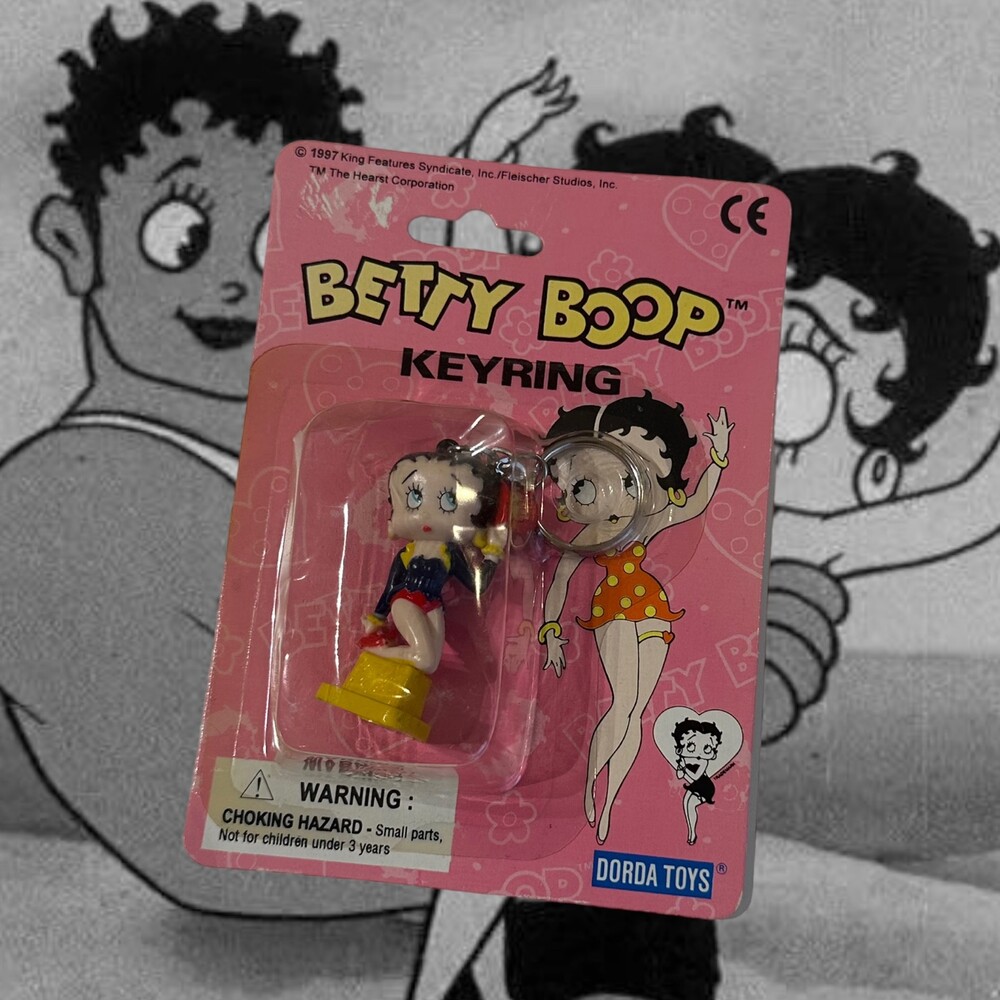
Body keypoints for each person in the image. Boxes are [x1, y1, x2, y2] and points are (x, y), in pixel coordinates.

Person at [539, 394, 734, 844]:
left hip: (653, 608)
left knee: (637, 711)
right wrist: (550, 632)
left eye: (633, 478)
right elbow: (560, 581)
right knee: (622, 704)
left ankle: (609, 803)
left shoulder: (649, 520)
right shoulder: (591, 534)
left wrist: (719, 458)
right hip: (614, 609)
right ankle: (590, 785)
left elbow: (697, 502)